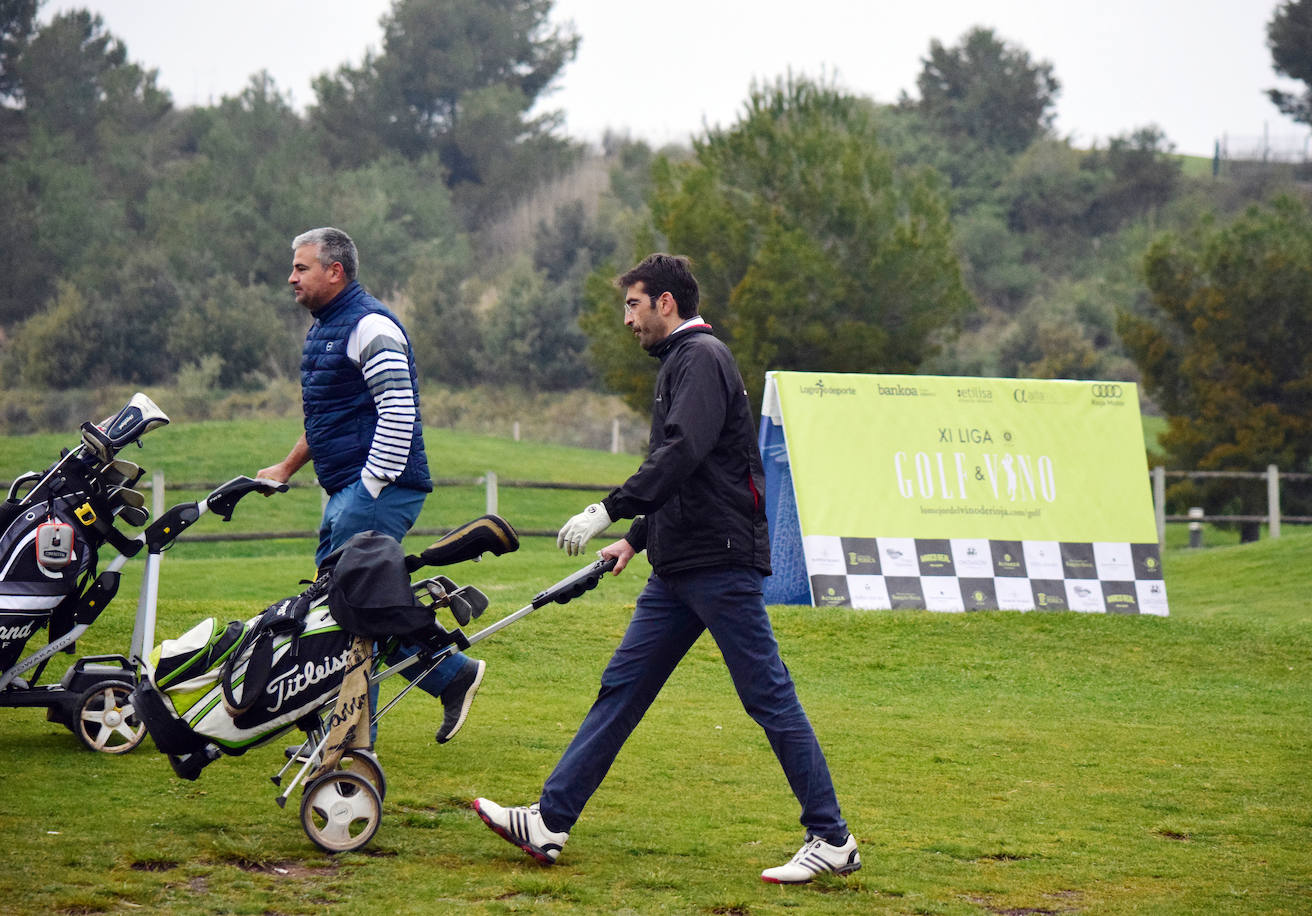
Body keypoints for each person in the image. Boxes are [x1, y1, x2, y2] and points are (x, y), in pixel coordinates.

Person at [472, 253, 860, 884]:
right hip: (678, 565)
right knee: (621, 690)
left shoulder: (701, 359)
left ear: (666, 304)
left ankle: (832, 837)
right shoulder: (680, 363)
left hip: (719, 562)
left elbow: (682, 453)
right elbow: (691, 473)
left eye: (633, 304)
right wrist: (636, 538)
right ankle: (550, 821)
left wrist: (610, 507)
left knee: (767, 695)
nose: (627, 319)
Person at [257, 226, 484, 745]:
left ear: (335, 272)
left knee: (349, 612)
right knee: (339, 609)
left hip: (379, 490)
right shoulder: (328, 327)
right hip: (353, 491)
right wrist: (288, 468)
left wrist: (369, 487)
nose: (291, 277)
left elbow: (398, 410)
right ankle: (449, 678)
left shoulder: (369, 325)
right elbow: (331, 419)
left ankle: (350, 742)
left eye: (301, 267)